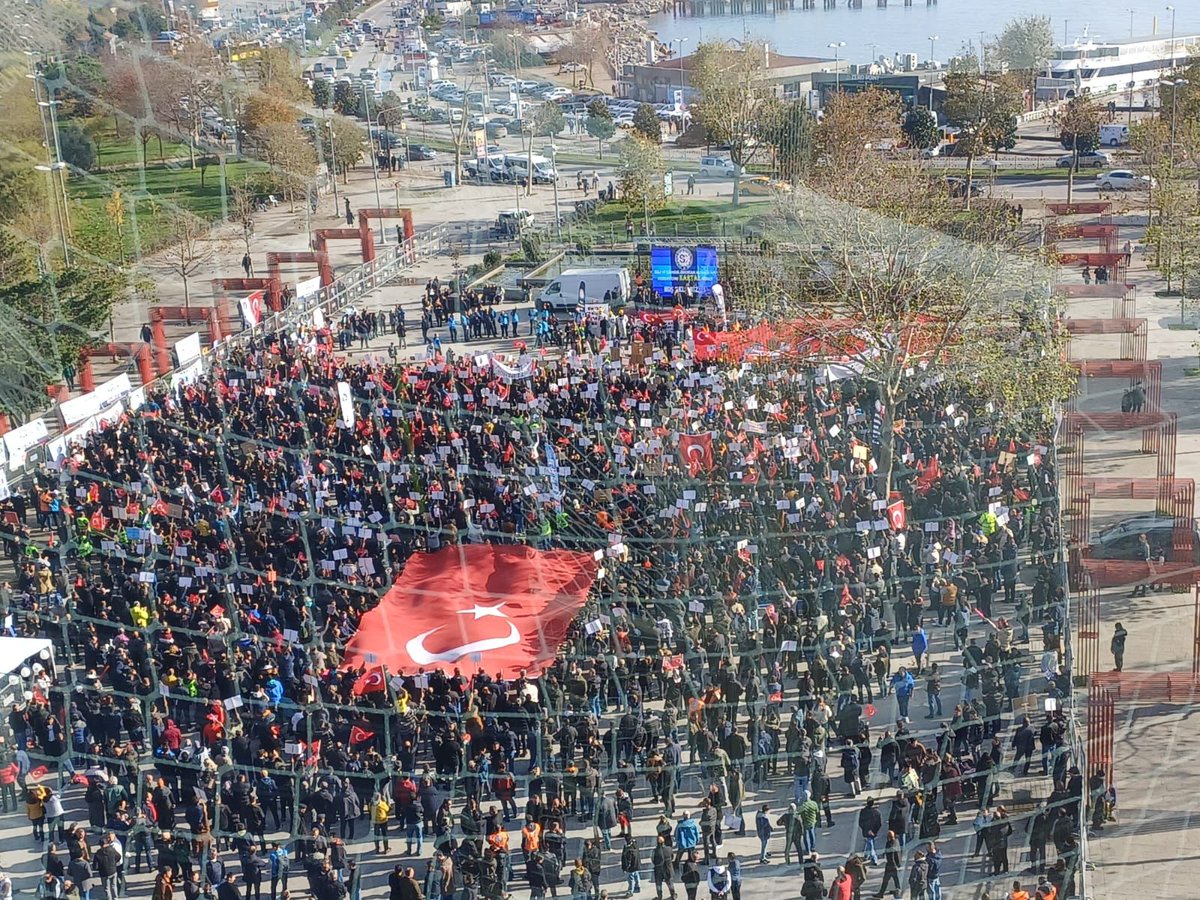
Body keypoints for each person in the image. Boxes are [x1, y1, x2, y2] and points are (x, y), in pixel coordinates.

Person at [857, 798, 881, 865]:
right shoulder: (876, 812)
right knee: (871, 843)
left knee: (870, 845)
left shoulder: (863, 812)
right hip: (873, 832)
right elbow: (879, 823)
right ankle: (869, 856)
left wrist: (866, 830)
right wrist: (874, 831)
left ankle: (873, 858)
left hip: (866, 832)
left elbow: (861, 822)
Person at [652, 835, 676, 900]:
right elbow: (672, 857)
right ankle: (673, 895)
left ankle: (659, 897)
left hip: (658, 869)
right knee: (670, 883)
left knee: (658, 884)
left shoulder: (655, 851)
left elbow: (653, 860)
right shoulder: (669, 849)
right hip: (668, 868)